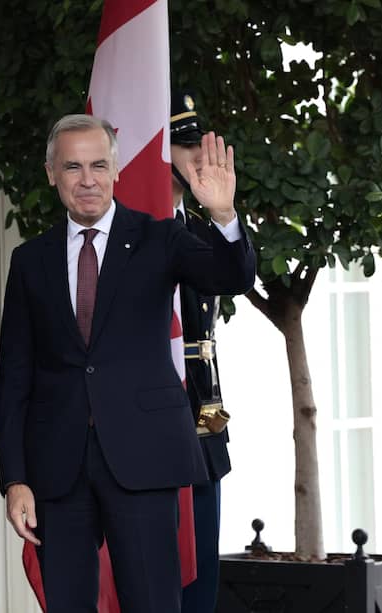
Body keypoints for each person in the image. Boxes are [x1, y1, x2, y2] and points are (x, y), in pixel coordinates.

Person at [0, 114, 255, 612]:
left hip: (144, 456)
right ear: (51, 173)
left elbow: (230, 276)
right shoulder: (31, 260)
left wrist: (223, 216)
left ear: (116, 170)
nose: (87, 179)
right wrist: (16, 478)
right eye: (72, 167)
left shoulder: (161, 239)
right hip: (57, 466)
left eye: (98, 165)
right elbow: (14, 377)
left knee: (153, 603)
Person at [171, 91, 233, 613]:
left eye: (197, 144)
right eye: (181, 146)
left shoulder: (197, 226)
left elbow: (237, 276)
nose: (196, 156)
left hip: (204, 424)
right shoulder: (128, 231)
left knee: (200, 588)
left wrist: (223, 211)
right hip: (147, 434)